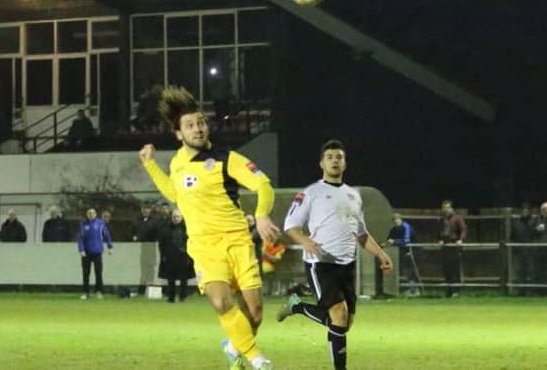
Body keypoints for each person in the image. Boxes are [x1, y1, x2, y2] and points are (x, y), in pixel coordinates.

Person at [139, 86, 279, 370]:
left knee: (255, 312)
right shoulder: (178, 163)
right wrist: (151, 166)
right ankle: (256, 359)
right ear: (179, 133)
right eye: (190, 125)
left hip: (238, 242)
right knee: (220, 302)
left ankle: (234, 347)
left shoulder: (228, 159)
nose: (198, 128)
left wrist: (262, 214)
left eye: (201, 123)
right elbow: (175, 194)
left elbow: (263, 184)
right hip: (204, 245)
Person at [276, 139, 393, 370]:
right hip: (320, 264)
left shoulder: (354, 195)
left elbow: (361, 234)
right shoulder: (311, 193)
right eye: (329, 157)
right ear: (321, 163)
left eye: (339, 157)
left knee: (344, 323)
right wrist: (305, 241)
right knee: (338, 315)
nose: (334, 161)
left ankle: (297, 306)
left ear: (345, 163)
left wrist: (381, 255)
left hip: (346, 266)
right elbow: (290, 226)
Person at [157, 208, 194, 303]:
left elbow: (191, 243)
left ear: (181, 217)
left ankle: (182, 297)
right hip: (170, 257)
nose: (175, 218)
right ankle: (171, 297)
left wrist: (189, 256)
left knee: (184, 279)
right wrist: (163, 256)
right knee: (171, 279)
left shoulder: (187, 229)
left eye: (177, 216)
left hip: (183, 257)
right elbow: (162, 244)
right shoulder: (166, 229)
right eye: (174, 217)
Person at [77, 208, 113, 300]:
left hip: (97, 252)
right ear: (86, 214)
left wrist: (110, 247)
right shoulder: (83, 224)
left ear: (96, 214)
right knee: (86, 273)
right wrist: (81, 250)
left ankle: (99, 292)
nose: (91, 214)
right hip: (86, 253)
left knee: (98, 273)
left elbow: (107, 235)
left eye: (92, 213)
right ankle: (85, 292)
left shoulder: (100, 223)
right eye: (89, 213)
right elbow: (80, 238)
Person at [386, 213, 420, 296]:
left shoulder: (406, 227)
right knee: (405, 271)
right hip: (400, 253)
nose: (396, 221)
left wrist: (395, 241)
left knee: (410, 271)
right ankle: (411, 289)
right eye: (394, 220)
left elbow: (406, 241)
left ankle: (415, 290)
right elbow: (389, 238)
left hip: (411, 252)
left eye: (397, 219)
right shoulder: (394, 229)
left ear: (400, 219)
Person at [438, 199, 467, 297]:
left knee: (455, 269)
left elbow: (463, 229)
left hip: (454, 245)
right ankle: (449, 291)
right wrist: (440, 240)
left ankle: (456, 291)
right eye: (444, 208)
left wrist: (461, 240)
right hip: (445, 247)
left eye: (447, 207)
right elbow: (438, 232)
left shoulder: (457, 218)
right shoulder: (441, 220)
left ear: (451, 208)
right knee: (447, 270)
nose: (445, 210)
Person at [511, 202, 535, 296]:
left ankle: (531, 291)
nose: (525, 212)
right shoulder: (516, 223)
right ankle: (521, 291)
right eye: (523, 210)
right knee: (520, 272)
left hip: (531, 250)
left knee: (531, 271)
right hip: (519, 251)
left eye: (526, 210)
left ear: (529, 211)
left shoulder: (534, 221)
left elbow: (536, 235)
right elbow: (512, 236)